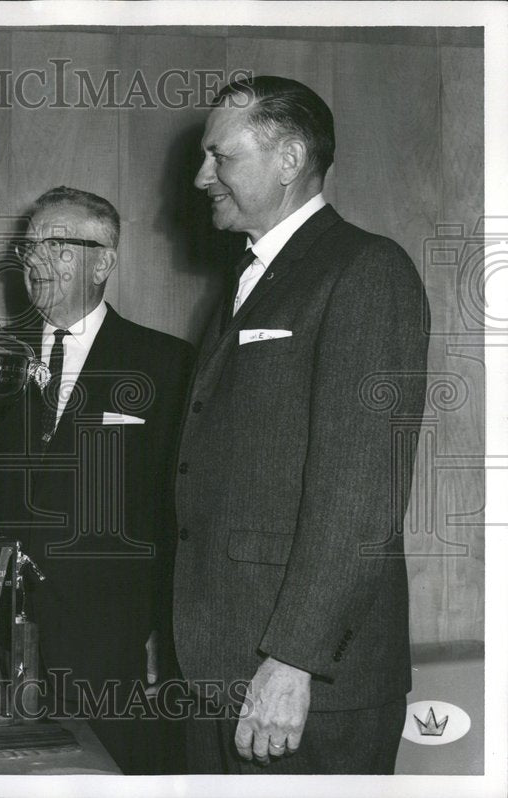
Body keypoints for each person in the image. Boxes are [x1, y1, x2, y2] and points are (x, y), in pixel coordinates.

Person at [172, 76, 430, 774]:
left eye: (219, 157)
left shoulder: (365, 271)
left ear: (288, 160)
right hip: (223, 669)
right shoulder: (250, 279)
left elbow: (361, 494)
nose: (201, 178)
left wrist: (293, 661)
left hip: (300, 686)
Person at [0, 186, 195, 773]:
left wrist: (166, 629)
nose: (35, 261)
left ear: (103, 261)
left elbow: (179, 510)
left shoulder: (169, 364)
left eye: (57, 245)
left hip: (117, 641)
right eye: (30, 247)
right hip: (0, 638)